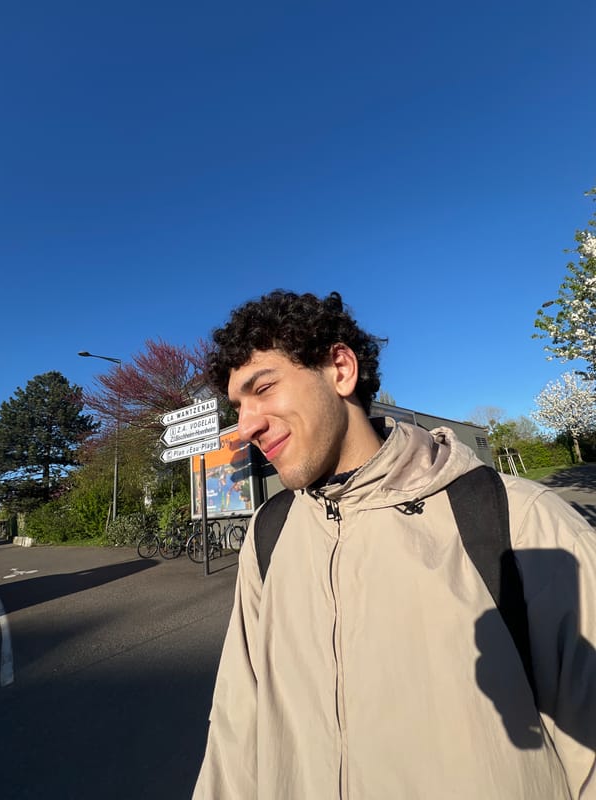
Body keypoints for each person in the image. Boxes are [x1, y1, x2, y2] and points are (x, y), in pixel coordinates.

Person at [193, 290, 596, 799]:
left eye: (264, 388)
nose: (245, 425)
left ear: (340, 369)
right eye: (238, 406)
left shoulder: (520, 520)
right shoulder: (268, 535)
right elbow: (235, 727)